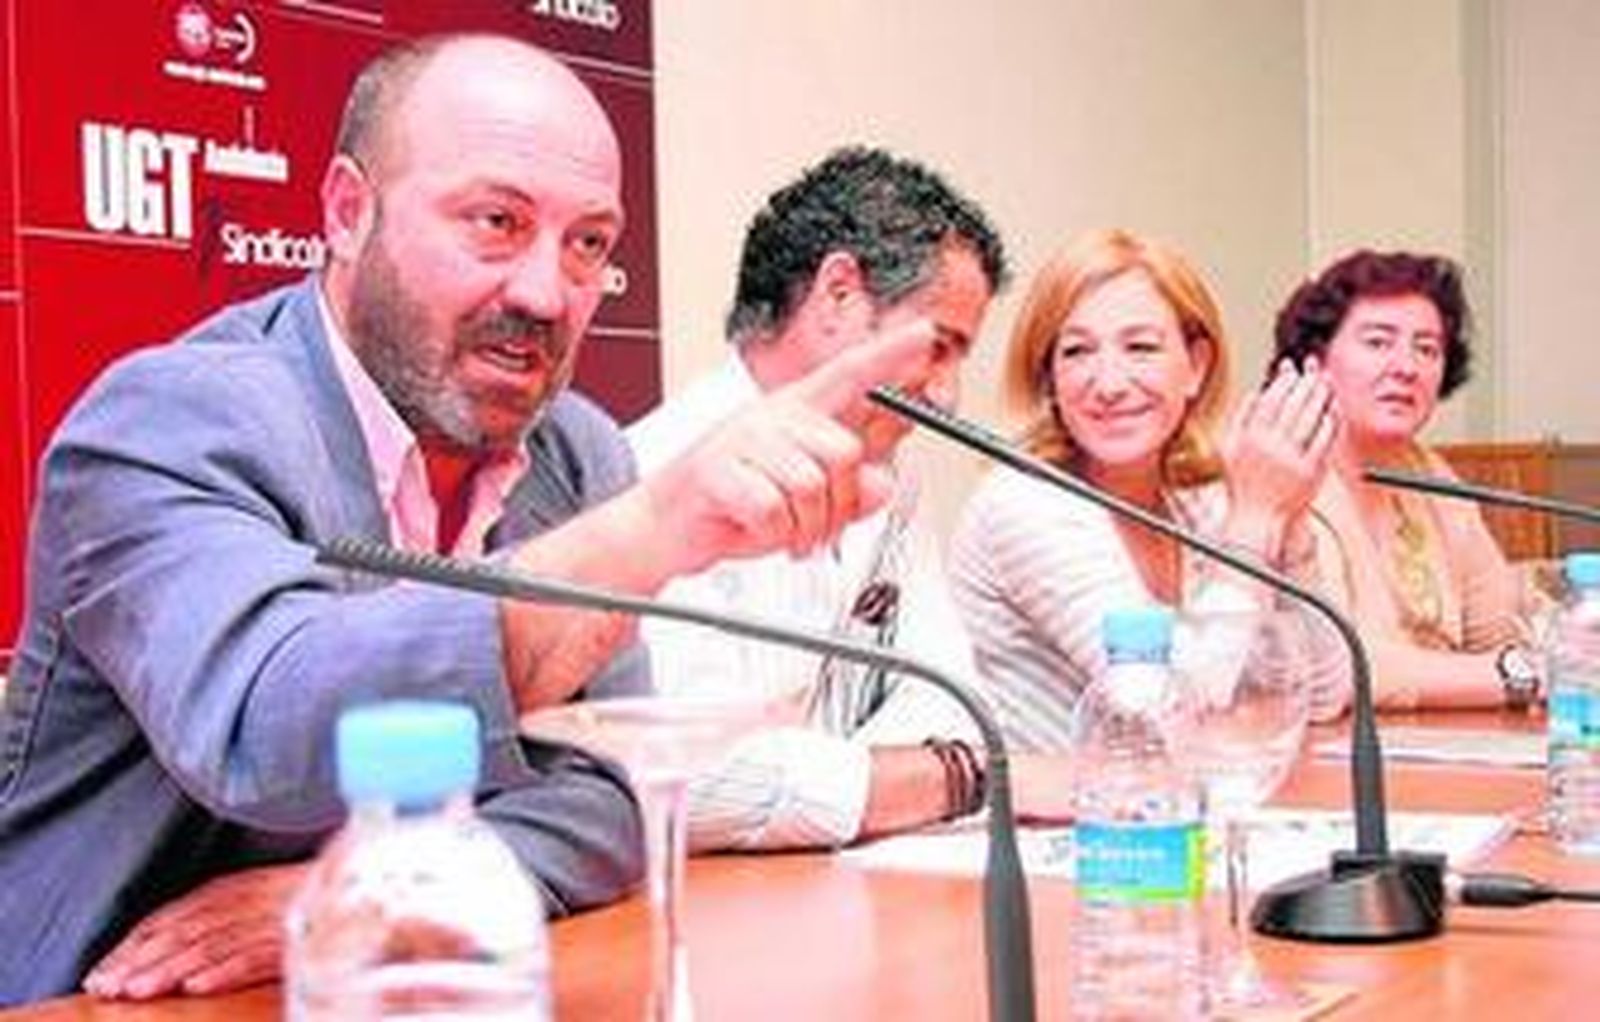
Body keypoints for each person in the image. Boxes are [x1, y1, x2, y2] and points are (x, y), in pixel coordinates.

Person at [0, 35, 953, 1005]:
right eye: (496, 222)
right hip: (103, 995)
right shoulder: (169, 420)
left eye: (587, 244)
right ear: (347, 211)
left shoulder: (576, 449)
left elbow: (606, 799)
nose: (545, 293)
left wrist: (378, 900)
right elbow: (263, 727)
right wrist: (645, 533)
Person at [630, 147, 1070, 850]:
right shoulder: (651, 472)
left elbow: (954, 701)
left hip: (842, 882)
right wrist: (959, 779)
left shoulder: (889, 474)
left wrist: (857, 782)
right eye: (939, 347)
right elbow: (685, 775)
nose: (948, 395)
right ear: (838, 293)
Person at [949, 229, 1346, 751]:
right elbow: (1170, 706)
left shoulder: (1194, 499)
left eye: (1140, 348)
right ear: (1049, 379)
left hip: (1167, 796)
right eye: (1077, 352)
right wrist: (1254, 518)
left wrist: (1287, 521)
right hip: (1054, 801)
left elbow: (1323, 696)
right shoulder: (1024, 502)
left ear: (1196, 366)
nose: (1110, 383)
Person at [1273, 249, 1534, 710]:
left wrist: (1538, 663)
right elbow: (1341, 667)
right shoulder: (1280, 467)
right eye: (1378, 343)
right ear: (1316, 359)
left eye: (1427, 349)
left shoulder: (1429, 473)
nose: (1406, 367)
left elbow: (1501, 634)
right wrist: (1518, 675)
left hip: (1449, 740)